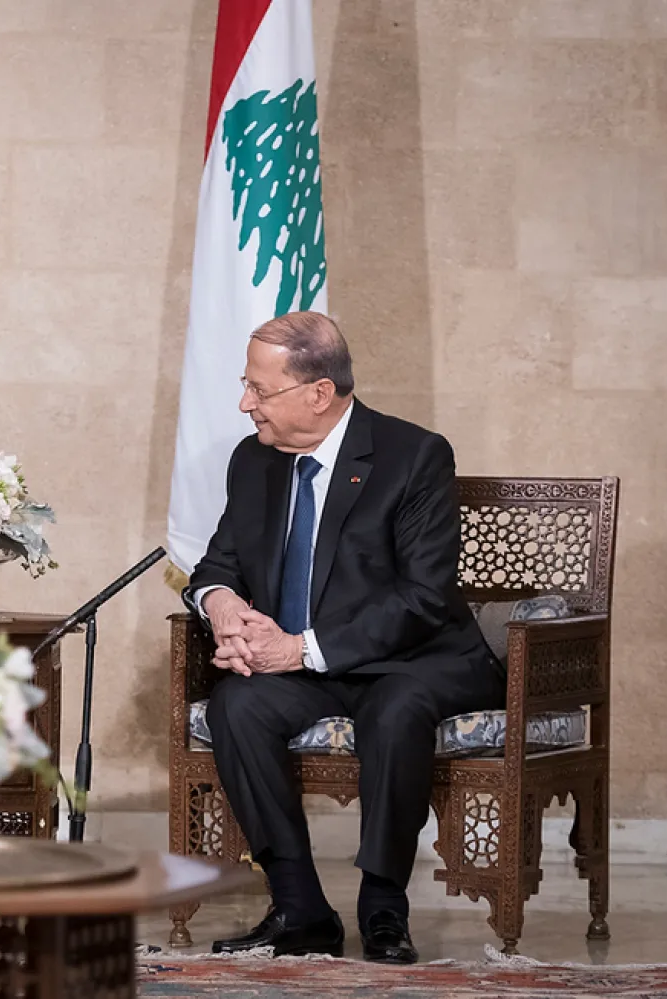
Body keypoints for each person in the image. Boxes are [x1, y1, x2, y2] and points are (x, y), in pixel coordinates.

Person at [184, 311, 503, 964]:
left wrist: (297, 648)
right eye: (245, 386)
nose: (246, 404)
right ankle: (299, 906)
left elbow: (422, 598)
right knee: (235, 706)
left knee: (395, 707)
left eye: (259, 390)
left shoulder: (412, 455)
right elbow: (219, 563)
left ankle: (384, 906)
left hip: (418, 660)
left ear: (318, 393)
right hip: (314, 668)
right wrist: (220, 606)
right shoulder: (254, 461)